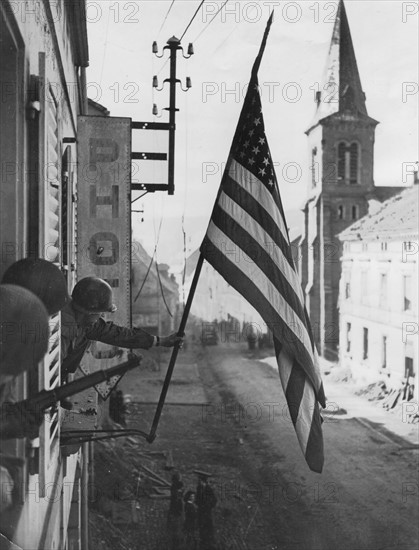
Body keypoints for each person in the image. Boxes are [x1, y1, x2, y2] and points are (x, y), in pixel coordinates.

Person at [60, 276, 182, 377]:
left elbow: (118, 334)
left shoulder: (83, 323)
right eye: (99, 312)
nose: (101, 316)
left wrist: (160, 341)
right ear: (86, 311)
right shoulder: (61, 333)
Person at [195, 471, 217, 550]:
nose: (198, 482)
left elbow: (214, 500)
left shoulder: (208, 489)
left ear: (202, 481)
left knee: (208, 529)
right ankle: (203, 544)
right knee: (201, 529)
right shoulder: (198, 488)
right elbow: (197, 499)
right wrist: (199, 504)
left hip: (207, 513)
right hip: (200, 512)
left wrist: (208, 506)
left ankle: (210, 545)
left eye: (199, 480)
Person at [167, 472, 184, 550]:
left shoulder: (173, 486)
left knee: (174, 528)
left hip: (174, 510)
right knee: (177, 528)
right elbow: (177, 498)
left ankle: (174, 544)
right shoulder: (177, 486)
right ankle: (176, 545)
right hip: (176, 511)